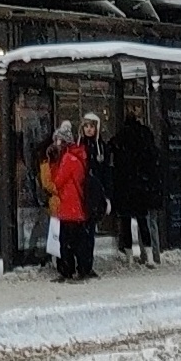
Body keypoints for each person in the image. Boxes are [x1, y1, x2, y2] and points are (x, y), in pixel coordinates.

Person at [112, 109, 162, 267]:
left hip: (125, 186)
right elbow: (153, 158)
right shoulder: (144, 135)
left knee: (126, 222)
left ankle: (129, 258)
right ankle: (150, 256)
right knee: (144, 222)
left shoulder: (121, 137)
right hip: (141, 185)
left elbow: (111, 151)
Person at [48, 120, 91, 280]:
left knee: (66, 242)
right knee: (77, 241)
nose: (56, 144)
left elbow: (57, 181)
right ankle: (80, 269)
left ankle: (67, 271)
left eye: (58, 141)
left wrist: (53, 163)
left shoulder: (67, 159)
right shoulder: (77, 156)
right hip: (77, 207)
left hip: (69, 206)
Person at [79, 115, 112, 261]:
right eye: (86, 126)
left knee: (90, 228)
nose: (89, 129)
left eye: (91, 126)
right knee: (81, 229)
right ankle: (81, 261)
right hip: (81, 191)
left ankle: (87, 262)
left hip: (94, 193)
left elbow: (105, 172)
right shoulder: (79, 145)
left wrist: (106, 195)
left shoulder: (101, 147)